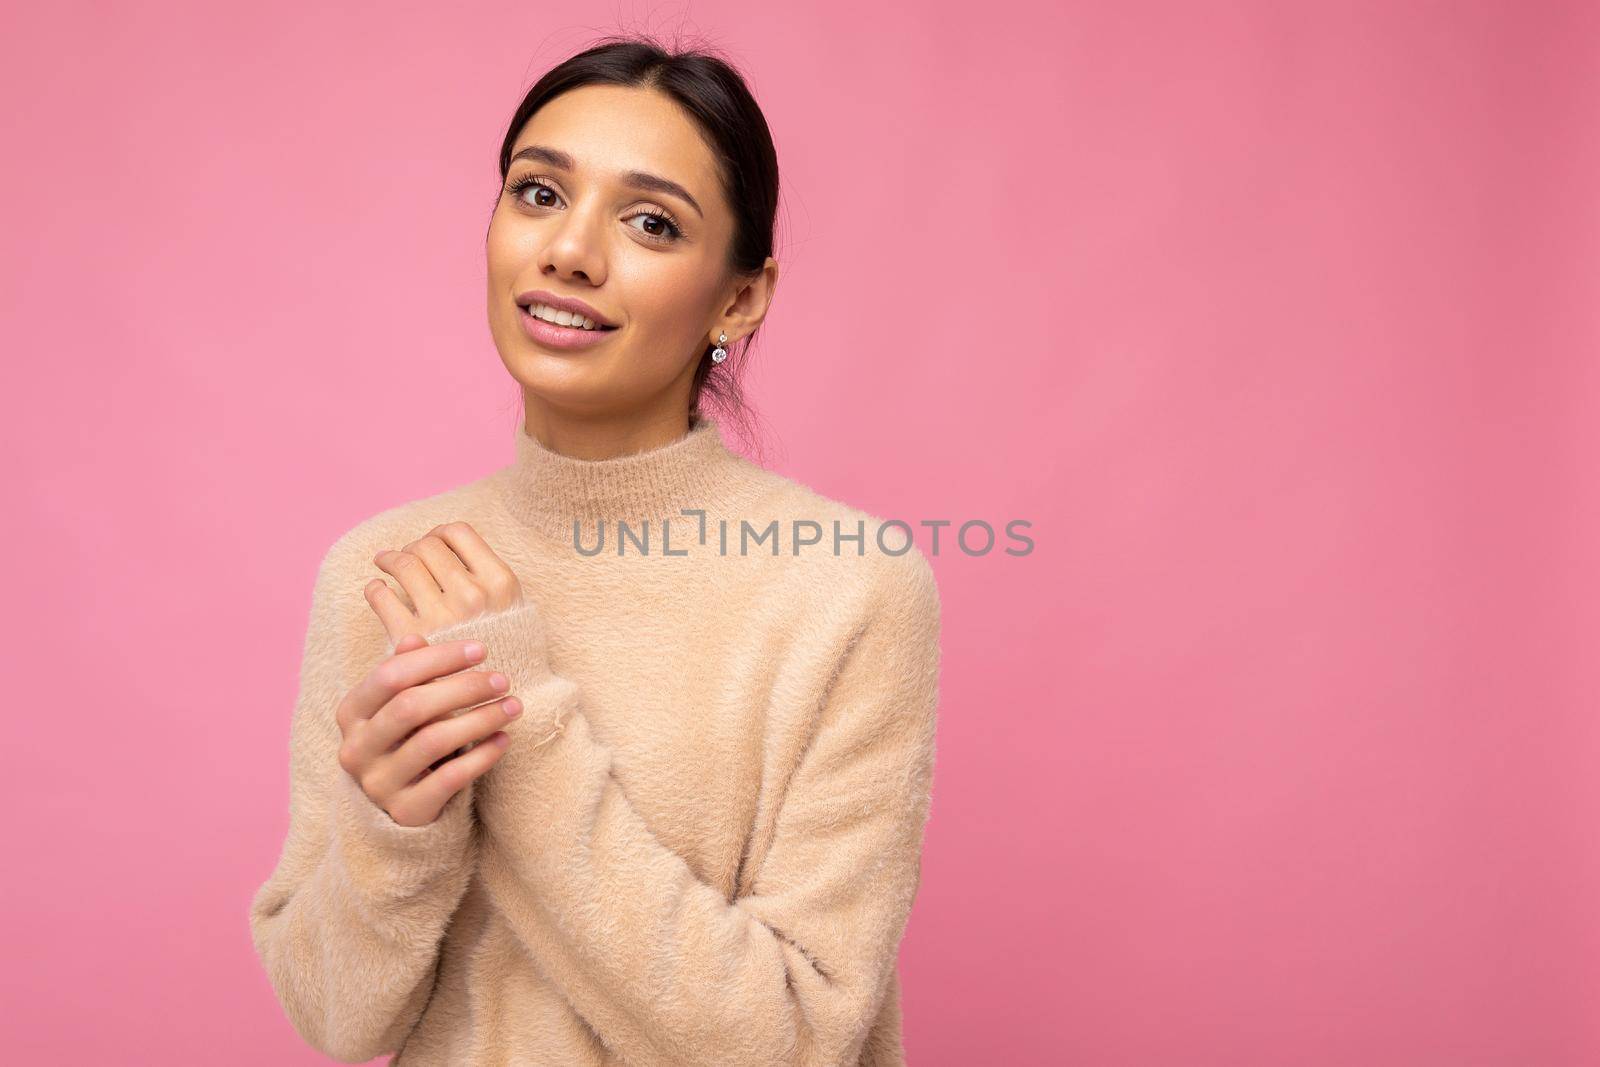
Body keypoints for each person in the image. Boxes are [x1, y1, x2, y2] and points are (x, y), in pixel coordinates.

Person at [248, 35, 942, 1067]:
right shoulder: (389, 574)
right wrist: (394, 827)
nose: (568, 250)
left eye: (651, 221)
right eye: (537, 193)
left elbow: (793, 1038)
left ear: (739, 298)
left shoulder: (848, 586)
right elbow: (338, 1017)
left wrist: (510, 708)